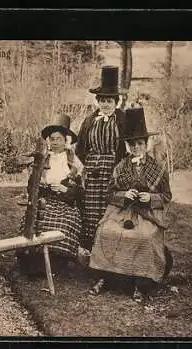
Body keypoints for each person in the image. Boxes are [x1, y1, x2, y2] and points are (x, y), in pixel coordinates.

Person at [87, 107, 173, 302]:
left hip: (148, 213)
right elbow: (109, 194)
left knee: (145, 236)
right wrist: (124, 194)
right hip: (122, 211)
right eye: (132, 144)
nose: (136, 148)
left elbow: (167, 195)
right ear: (127, 146)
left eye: (140, 143)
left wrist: (150, 198)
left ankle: (141, 284)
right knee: (106, 231)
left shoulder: (157, 168)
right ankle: (106, 277)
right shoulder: (120, 167)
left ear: (146, 144)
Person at [17, 114, 84, 276]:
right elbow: (31, 186)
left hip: (65, 203)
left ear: (66, 140)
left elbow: (80, 191)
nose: (54, 143)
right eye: (52, 139)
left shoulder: (74, 161)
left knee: (63, 222)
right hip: (44, 200)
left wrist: (65, 190)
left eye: (58, 139)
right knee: (37, 220)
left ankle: (56, 264)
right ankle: (34, 262)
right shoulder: (43, 158)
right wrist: (40, 186)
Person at [75, 66, 127, 251]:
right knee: (90, 207)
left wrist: (117, 167)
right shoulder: (90, 120)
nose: (105, 104)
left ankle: (112, 245)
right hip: (92, 171)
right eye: (102, 100)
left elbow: (127, 147)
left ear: (116, 102)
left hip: (114, 169)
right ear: (98, 101)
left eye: (109, 101)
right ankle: (91, 247)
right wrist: (90, 163)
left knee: (110, 205)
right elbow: (80, 148)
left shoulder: (122, 119)